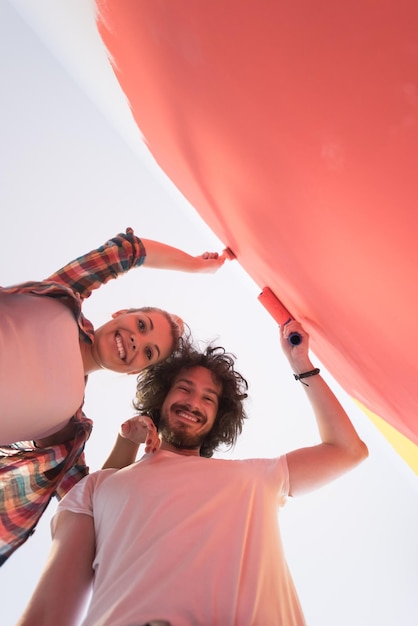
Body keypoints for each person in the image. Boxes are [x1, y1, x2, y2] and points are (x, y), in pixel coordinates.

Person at [17, 321, 369, 626]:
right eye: (184, 389)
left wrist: (301, 363)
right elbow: (50, 608)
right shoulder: (97, 488)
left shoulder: (256, 477)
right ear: (162, 397)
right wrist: (125, 443)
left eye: (208, 398)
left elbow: (348, 451)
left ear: (219, 418)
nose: (193, 402)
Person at [0, 227, 228, 564]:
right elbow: (125, 253)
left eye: (149, 353)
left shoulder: (65, 425)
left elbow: (87, 502)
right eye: (141, 325)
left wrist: (128, 442)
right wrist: (197, 266)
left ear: (134, 372)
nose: (137, 341)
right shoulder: (61, 299)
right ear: (121, 313)